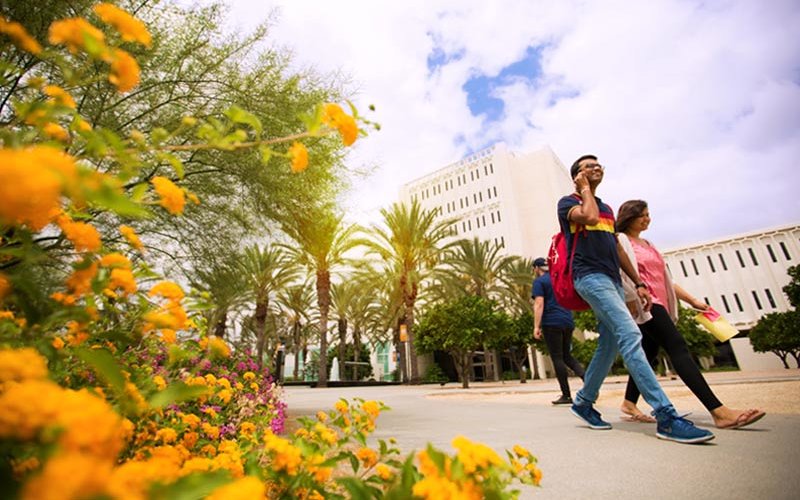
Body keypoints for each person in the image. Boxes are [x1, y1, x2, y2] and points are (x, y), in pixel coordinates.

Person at [557, 154, 714, 443]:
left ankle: (583, 402)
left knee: (610, 343)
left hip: (614, 280)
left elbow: (616, 249)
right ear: (577, 176)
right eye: (588, 166)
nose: (596, 168)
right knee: (630, 334)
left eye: (598, 164)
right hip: (589, 277)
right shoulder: (569, 203)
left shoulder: (605, 208)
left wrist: (638, 283)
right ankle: (665, 415)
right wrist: (584, 190)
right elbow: (588, 217)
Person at [615, 199, 766, 428]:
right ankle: (719, 411)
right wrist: (629, 301)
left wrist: (693, 300)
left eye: (648, 214)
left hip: (661, 303)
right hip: (645, 304)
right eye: (642, 215)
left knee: (647, 355)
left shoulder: (648, 244)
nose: (648, 218)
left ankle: (628, 402)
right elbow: (621, 275)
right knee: (678, 347)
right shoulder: (621, 241)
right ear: (630, 216)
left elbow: (666, 280)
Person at [531, 257, 585, 405]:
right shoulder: (558, 279)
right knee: (567, 356)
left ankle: (566, 395)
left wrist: (536, 326)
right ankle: (587, 379)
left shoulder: (539, 282)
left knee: (557, 357)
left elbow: (539, 303)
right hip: (567, 320)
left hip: (551, 322)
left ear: (536, 268)